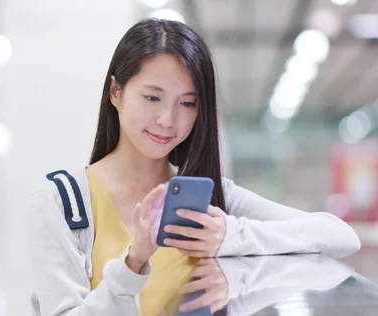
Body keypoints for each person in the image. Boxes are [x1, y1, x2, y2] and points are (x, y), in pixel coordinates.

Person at [28, 18, 361, 316]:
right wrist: (133, 262)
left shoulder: (211, 199)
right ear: (116, 91)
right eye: (152, 97)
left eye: (187, 103)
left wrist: (232, 236)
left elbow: (338, 236)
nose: (167, 120)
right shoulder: (63, 203)